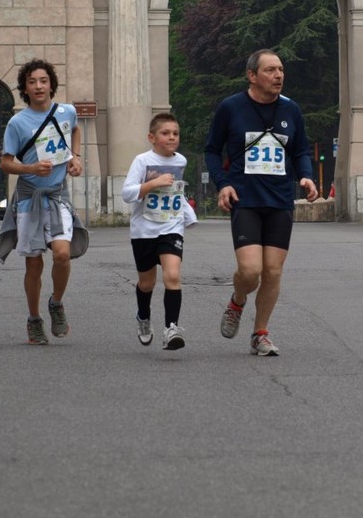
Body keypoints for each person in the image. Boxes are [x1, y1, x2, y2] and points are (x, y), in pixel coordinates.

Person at [204, 49, 318, 356]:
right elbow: (212, 150)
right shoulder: (231, 108)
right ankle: (238, 300)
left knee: (273, 271)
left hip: (280, 200)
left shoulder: (291, 110)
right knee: (250, 271)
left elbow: (300, 151)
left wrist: (306, 177)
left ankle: (260, 333)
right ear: (252, 76)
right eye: (270, 70)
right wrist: (223, 184)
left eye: (281, 69)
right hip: (245, 199)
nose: (278, 75)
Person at [0, 58, 88, 345]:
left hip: (58, 195)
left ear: (51, 85)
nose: (38, 86)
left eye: (43, 81)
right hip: (29, 199)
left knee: (62, 254)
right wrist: (31, 168)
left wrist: (75, 157)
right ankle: (34, 319)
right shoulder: (17, 123)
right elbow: (5, 163)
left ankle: (56, 303)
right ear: (25, 88)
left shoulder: (66, 112)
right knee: (34, 265)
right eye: (32, 82)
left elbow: (75, 130)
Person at [122, 113, 197, 351]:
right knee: (147, 283)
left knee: (172, 276)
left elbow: (176, 192)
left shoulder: (181, 161)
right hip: (144, 230)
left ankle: (171, 328)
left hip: (171, 227)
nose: (172, 137)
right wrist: (154, 183)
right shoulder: (142, 161)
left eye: (175, 133)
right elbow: (127, 193)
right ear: (152, 137)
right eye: (165, 133)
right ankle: (143, 316)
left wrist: (187, 214)